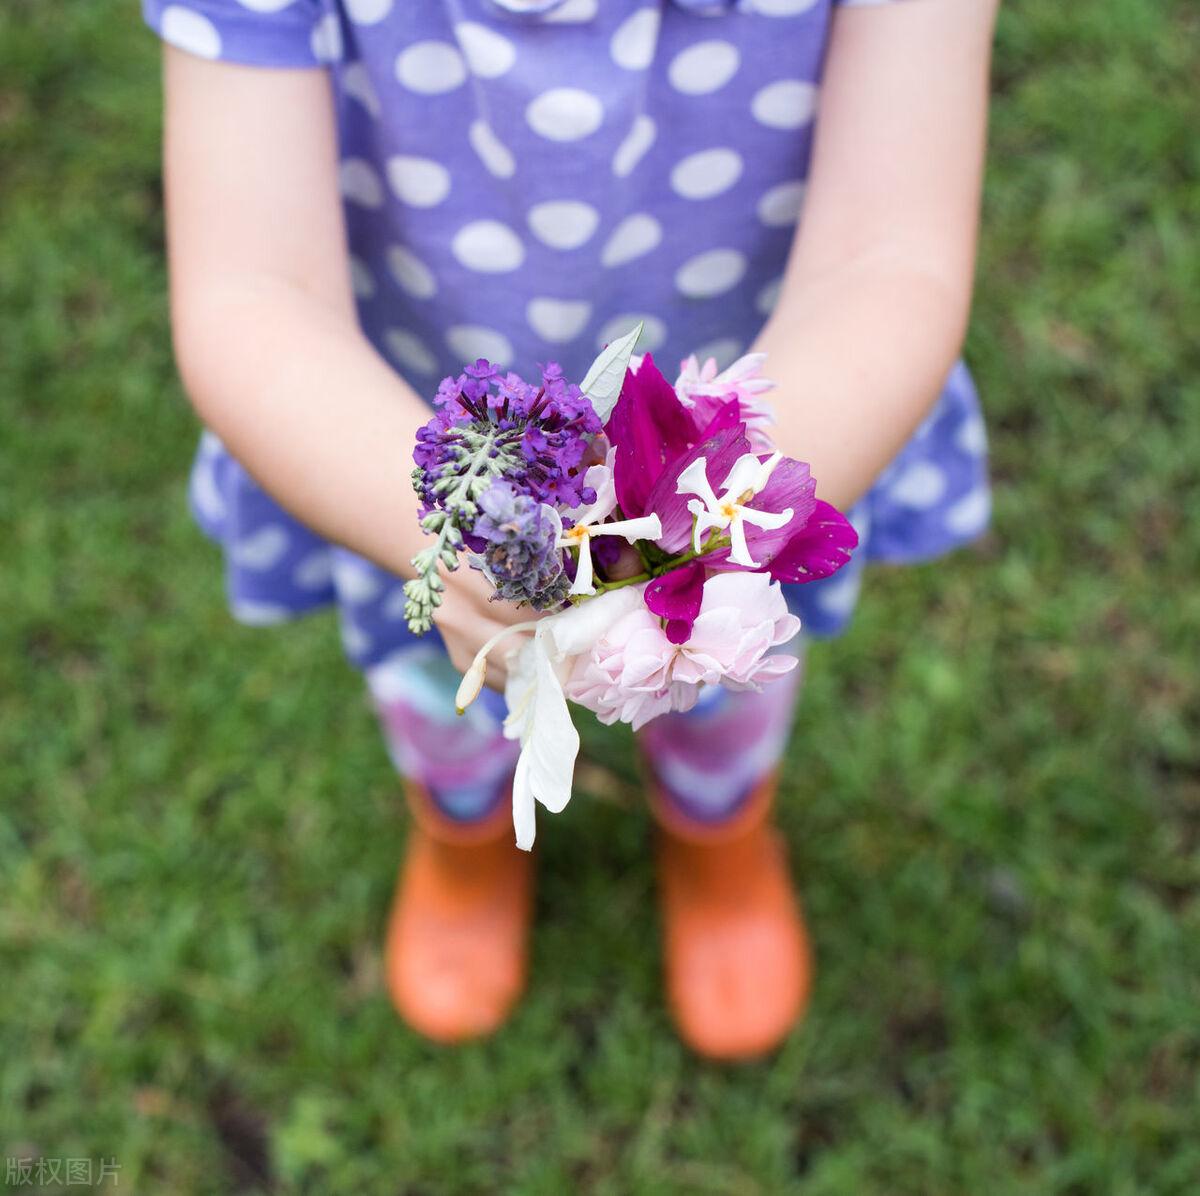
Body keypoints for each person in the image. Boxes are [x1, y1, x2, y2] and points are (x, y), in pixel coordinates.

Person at [143, 0, 999, 1059]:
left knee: (725, 669)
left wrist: (709, 523)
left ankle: (716, 826)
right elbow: (250, 292)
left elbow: (891, 260)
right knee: (439, 680)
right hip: (398, 431)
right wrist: (451, 532)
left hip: (759, 411)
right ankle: (463, 831)